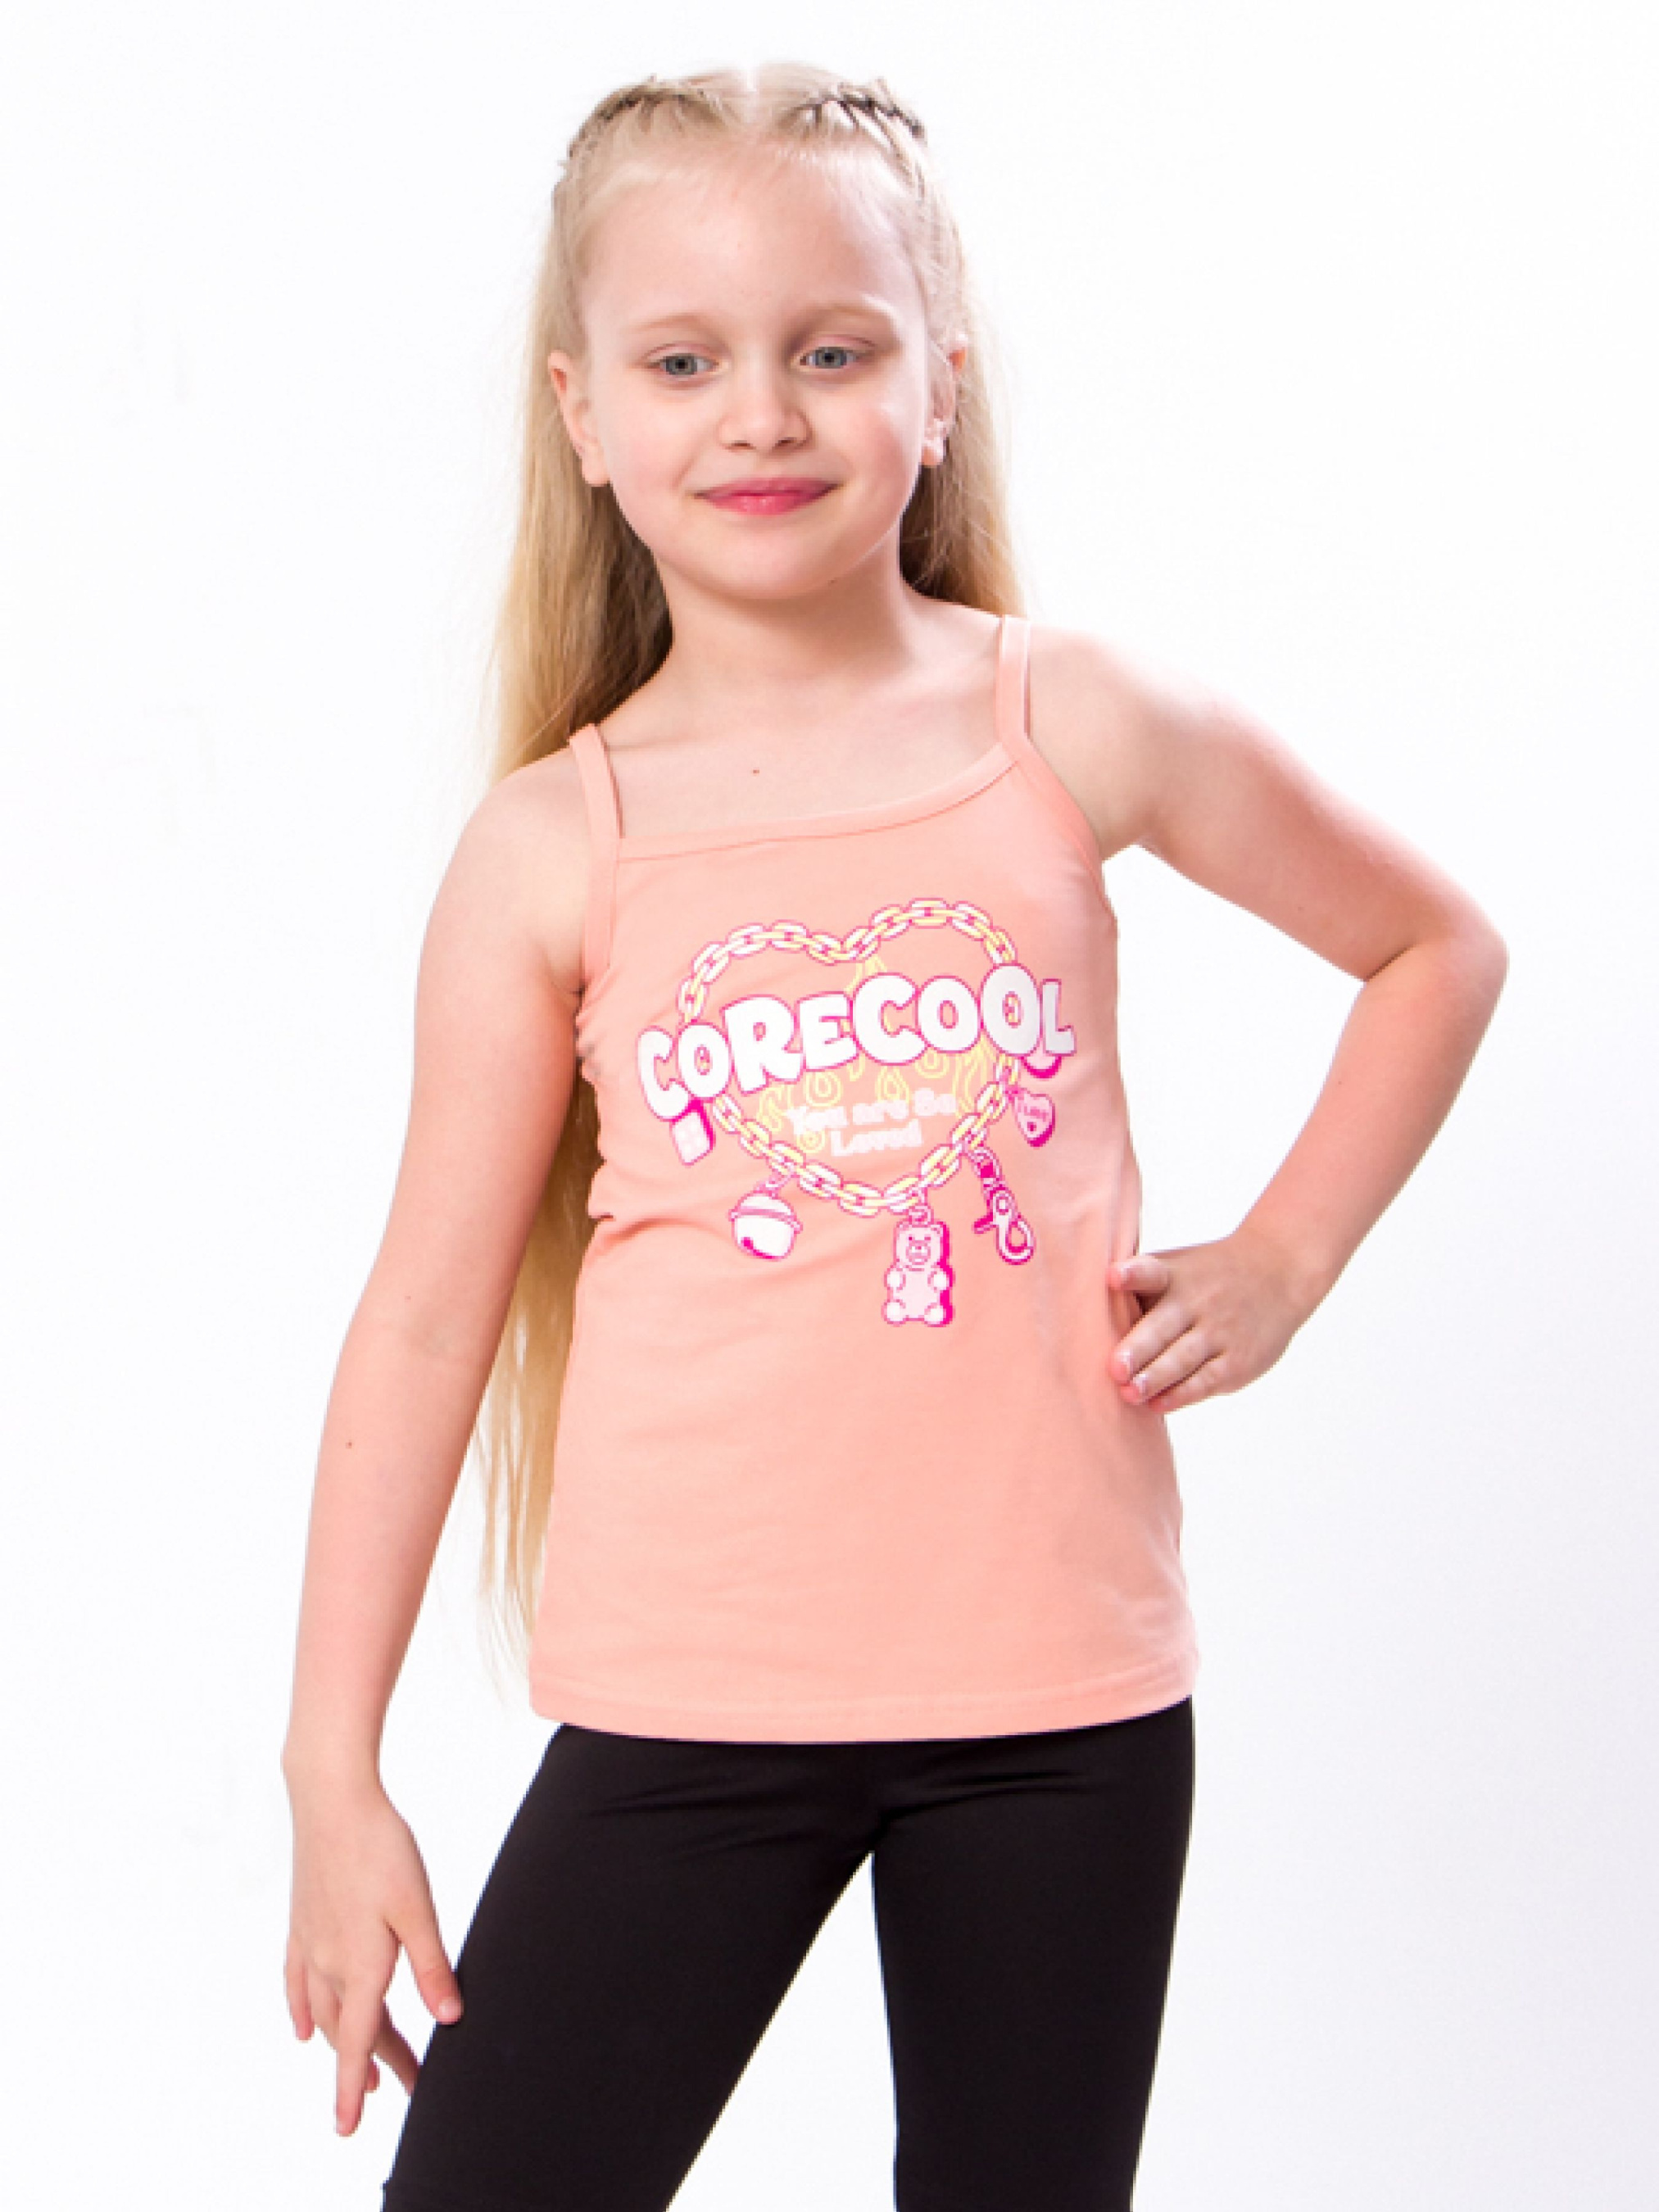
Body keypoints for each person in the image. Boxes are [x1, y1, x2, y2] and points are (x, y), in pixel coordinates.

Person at [280, 60, 1508, 2212]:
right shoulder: (555, 845)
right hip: (690, 1705)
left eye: (831, 351)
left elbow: (1431, 945)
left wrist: (1286, 1254)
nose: (759, 414)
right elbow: (423, 1320)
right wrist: (329, 1769)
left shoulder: (1074, 721)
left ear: (938, 382)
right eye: (683, 361)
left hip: (1063, 1707)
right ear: (584, 416)